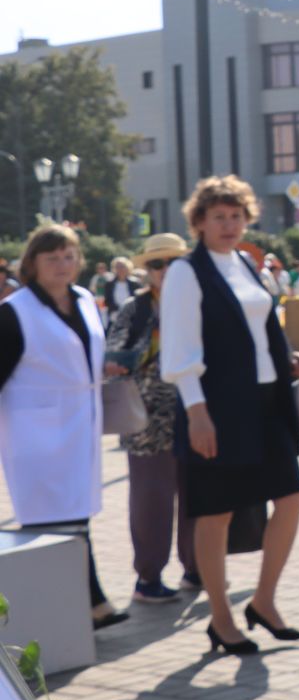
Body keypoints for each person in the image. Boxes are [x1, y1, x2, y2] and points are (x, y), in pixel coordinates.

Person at [161, 176, 299, 656]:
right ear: (199, 222)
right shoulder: (187, 272)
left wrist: (287, 357)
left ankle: (263, 601)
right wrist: (197, 412)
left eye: (236, 216)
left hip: (267, 402)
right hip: (216, 407)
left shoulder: (246, 263)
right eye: (218, 217)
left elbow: (260, 328)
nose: (228, 225)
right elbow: (181, 348)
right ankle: (221, 619)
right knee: (215, 512)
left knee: (291, 498)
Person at [0, 224, 125, 629]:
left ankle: (84, 604)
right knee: (48, 522)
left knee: (76, 517)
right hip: (35, 432)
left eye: (69, 256)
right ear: (32, 263)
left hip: (78, 424)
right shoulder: (14, 311)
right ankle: (74, 607)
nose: (62, 264)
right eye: (51, 257)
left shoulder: (85, 300)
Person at [104, 232, 198, 602]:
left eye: (173, 262)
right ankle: (148, 578)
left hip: (194, 414)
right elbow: (115, 355)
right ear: (147, 271)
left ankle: (196, 567)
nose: (165, 270)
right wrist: (153, 336)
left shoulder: (197, 303)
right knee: (152, 501)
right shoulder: (136, 308)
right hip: (146, 420)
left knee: (197, 495)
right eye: (157, 264)